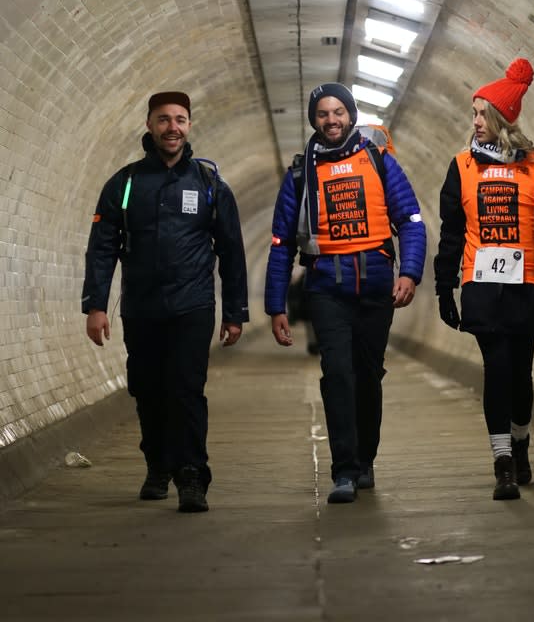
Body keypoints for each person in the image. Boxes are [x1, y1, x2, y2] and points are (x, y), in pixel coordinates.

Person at [82, 91, 248, 513]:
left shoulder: (209, 185)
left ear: (189, 125)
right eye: (163, 120)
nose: (172, 127)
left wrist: (234, 313)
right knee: (148, 390)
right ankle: (157, 464)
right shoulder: (125, 184)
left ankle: (192, 477)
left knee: (186, 390)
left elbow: (231, 251)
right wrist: (96, 305)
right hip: (141, 307)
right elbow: (103, 246)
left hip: (192, 306)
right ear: (150, 125)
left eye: (179, 119)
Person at [265, 83, 426, 503]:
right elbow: (281, 241)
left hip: (374, 287)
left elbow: (410, 219)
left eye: (339, 112)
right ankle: (344, 470)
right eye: (323, 114)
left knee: (368, 377)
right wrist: (275, 304)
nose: (331, 120)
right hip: (326, 289)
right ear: (313, 120)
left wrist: (409, 271)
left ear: (351, 116)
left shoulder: (378, 160)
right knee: (337, 374)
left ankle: (365, 458)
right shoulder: (302, 173)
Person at [434, 59, 534, 500]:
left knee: (521, 376)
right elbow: (451, 232)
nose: (474, 122)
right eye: (472, 113)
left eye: (481, 113)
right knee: (497, 370)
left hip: (527, 287)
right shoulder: (462, 168)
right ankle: (503, 463)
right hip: (482, 289)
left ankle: (522, 441)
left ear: (501, 118)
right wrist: (443, 285)